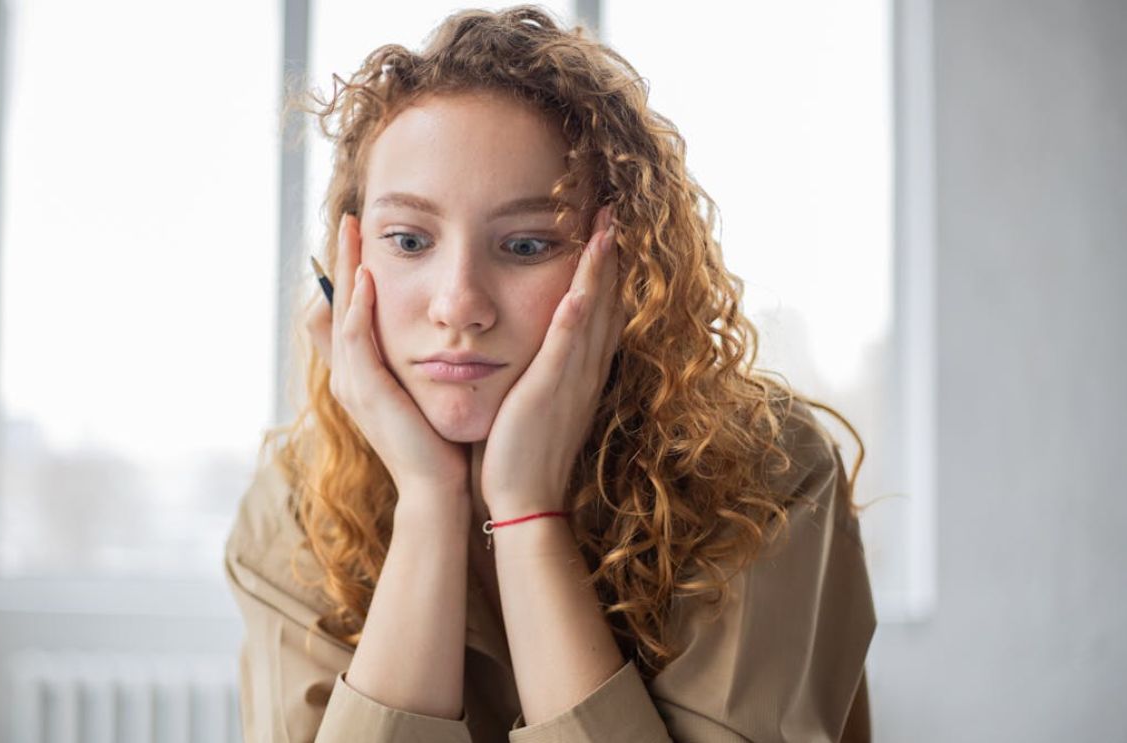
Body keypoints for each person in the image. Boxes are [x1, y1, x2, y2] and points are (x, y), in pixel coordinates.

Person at [224, 5, 877, 742]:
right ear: (350, 263)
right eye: (408, 239)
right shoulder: (295, 502)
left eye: (527, 245)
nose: (459, 305)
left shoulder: (766, 475)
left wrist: (528, 515)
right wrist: (430, 504)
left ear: (622, 265)